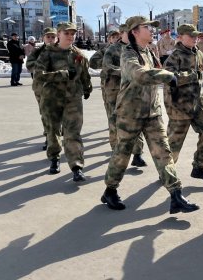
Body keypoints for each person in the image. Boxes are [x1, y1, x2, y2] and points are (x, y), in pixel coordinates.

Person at [101, 16, 199, 214]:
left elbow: (157, 75)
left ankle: (176, 194)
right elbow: (140, 75)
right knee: (123, 152)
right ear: (134, 32)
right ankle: (110, 189)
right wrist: (167, 76)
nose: (152, 30)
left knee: (163, 152)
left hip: (151, 112)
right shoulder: (127, 54)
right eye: (147, 27)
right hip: (130, 113)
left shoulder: (149, 52)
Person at [34, 22, 92, 182]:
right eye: (66, 33)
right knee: (53, 131)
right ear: (58, 35)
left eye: (72, 33)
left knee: (73, 132)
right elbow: (39, 74)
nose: (70, 36)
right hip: (52, 98)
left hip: (73, 98)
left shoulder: (78, 54)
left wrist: (87, 88)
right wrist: (64, 74)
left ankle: (77, 167)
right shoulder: (48, 53)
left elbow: (84, 73)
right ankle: (54, 158)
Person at [163, 24, 203, 181]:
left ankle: (199, 167)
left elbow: (199, 79)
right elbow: (168, 78)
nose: (195, 38)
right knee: (174, 143)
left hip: (198, 101)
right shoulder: (175, 56)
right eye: (191, 36)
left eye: (196, 36)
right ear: (180, 37)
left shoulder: (199, 53)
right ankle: (167, 173)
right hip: (179, 104)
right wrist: (188, 76)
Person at [101, 24, 146, 166]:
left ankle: (137, 154)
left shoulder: (138, 48)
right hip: (113, 90)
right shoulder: (112, 49)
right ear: (122, 34)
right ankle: (116, 151)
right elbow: (107, 66)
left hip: (133, 90)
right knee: (114, 121)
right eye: (128, 32)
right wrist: (126, 71)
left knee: (136, 120)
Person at [26, 27, 58, 151]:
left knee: (59, 114)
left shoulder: (61, 50)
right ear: (43, 38)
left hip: (59, 88)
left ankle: (58, 137)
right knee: (45, 114)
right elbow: (29, 66)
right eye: (48, 37)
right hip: (41, 88)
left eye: (53, 37)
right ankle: (49, 138)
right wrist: (42, 64)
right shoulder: (37, 51)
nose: (50, 39)